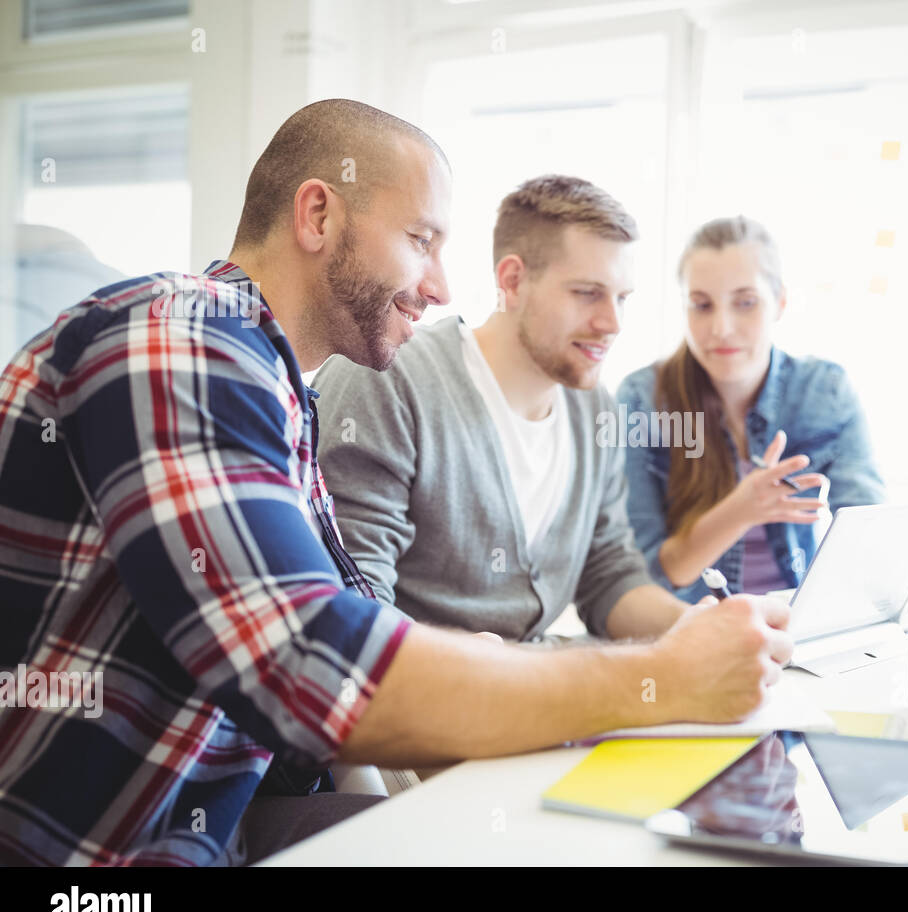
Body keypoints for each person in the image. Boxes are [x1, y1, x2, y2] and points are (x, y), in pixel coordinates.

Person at [0, 103, 791, 867]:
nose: (444, 287)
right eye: (422, 240)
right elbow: (316, 666)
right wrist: (660, 681)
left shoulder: (277, 392)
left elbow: (329, 636)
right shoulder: (179, 341)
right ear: (318, 217)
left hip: (231, 816)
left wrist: (513, 674)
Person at [315, 175, 689, 642]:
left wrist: (696, 627)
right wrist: (477, 668)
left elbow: (610, 576)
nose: (611, 323)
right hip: (414, 702)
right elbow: (355, 603)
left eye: (622, 298)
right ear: (512, 281)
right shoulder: (387, 381)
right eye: (587, 293)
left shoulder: (597, 413)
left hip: (529, 693)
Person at [616, 215, 908, 615]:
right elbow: (647, 577)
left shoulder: (825, 392)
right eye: (701, 305)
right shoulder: (641, 401)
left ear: (780, 303)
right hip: (690, 627)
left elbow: (865, 513)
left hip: (796, 627)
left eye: (745, 302)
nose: (722, 328)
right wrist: (740, 509)